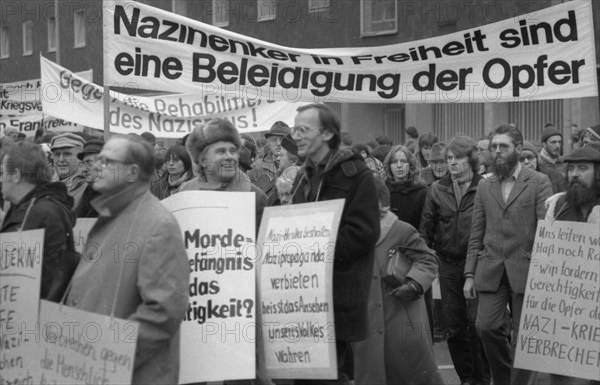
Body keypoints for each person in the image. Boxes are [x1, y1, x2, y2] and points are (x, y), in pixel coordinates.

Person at [65, 135, 189, 384]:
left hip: (127, 374)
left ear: (132, 171)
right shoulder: (112, 213)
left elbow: (164, 311)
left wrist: (107, 353)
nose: (97, 165)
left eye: (107, 161)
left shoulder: (158, 225)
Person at [289, 103, 380, 384]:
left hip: (337, 298)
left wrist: (313, 249)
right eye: (295, 130)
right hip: (302, 298)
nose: (296, 136)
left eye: (303, 130)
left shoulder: (357, 175)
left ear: (327, 134)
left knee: (333, 376)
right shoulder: (301, 177)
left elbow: (363, 234)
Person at [464, 124, 552, 385]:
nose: (497, 151)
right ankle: (504, 380)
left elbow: (545, 232)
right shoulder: (484, 186)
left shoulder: (538, 182)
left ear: (519, 148)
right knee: (486, 327)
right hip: (491, 268)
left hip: (527, 269)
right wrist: (469, 274)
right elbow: (476, 232)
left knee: (525, 338)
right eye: (494, 147)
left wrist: (544, 272)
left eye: (504, 146)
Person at [353, 178, 444, 385]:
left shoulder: (401, 230)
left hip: (402, 318)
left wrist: (414, 284)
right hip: (367, 324)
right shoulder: (350, 234)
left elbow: (428, 260)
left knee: (412, 375)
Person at [420, 136, 490, 385]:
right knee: (454, 324)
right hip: (448, 264)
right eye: (449, 158)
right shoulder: (437, 189)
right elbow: (426, 228)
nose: (452, 163)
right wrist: (426, 259)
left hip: (479, 262)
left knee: (477, 324)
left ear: (470, 159)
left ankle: (483, 376)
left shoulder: (485, 186)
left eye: (457, 158)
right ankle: (466, 377)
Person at [1, 141, 78, 302]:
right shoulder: (25, 208)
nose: (1, 179)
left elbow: (53, 282)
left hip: (29, 317)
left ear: (16, 175)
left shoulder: (45, 213)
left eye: (2, 173)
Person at [180, 119, 267, 232]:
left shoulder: (255, 197)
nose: (229, 157)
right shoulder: (184, 194)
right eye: (221, 152)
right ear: (203, 160)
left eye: (233, 151)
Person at [545, 146, 600, 224]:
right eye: (571, 169)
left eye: (582, 168)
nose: (574, 174)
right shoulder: (557, 207)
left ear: (597, 173)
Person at [383, 145, 428, 229]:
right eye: (395, 162)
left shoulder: (421, 192)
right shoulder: (383, 191)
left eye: (403, 161)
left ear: (410, 164)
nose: (399, 165)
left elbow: (425, 226)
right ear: (389, 166)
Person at [248, 121, 291, 196]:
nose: (278, 143)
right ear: (268, 142)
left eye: (282, 139)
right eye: (274, 140)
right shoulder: (255, 168)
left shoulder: (300, 165)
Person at [50, 133, 87, 209]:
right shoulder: (45, 184)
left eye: (67, 154)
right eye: (57, 154)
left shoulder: (89, 188)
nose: (61, 160)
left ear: (81, 158)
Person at [74, 138, 104, 217]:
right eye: (83, 164)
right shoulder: (88, 191)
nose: (83, 169)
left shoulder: (113, 195)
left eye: (89, 163)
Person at [538, 125, 567, 193]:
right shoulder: (537, 164)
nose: (557, 146)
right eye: (553, 142)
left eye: (559, 142)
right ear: (544, 144)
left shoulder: (565, 163)